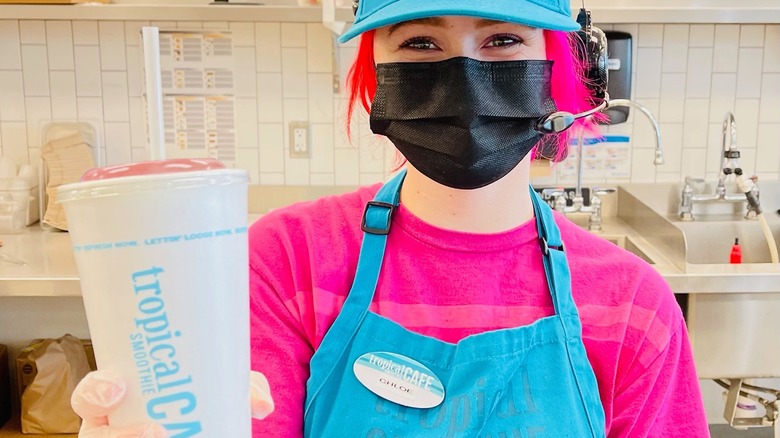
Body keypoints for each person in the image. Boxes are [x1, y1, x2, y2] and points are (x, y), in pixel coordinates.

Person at [73, 0, 710, 436]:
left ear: (561, 74)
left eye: (504, 39)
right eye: (421, 43)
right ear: (375, 80)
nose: (464, 75)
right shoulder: (285, 261)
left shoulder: (632, 307)